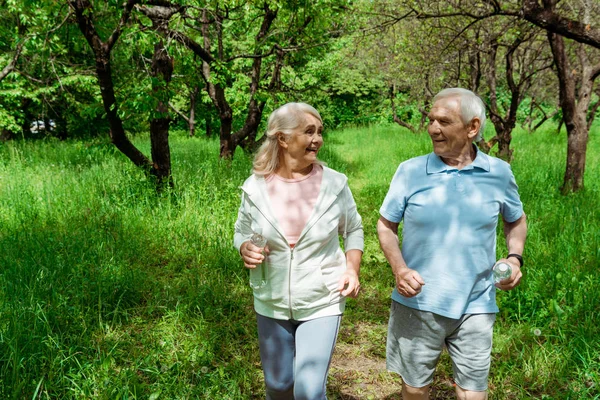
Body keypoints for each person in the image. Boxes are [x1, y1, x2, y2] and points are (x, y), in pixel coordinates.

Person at [377, 88, 527, 400]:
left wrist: (514, 259)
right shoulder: (411, 171)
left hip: (477, 302)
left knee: (473, 392)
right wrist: (400, 269)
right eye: (431, 120)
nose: (433, 128)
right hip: (418, 303)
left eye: (444, 121)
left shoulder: (499, 172)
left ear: (472, 127)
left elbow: (515, 219)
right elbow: (386, 225)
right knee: (415, 389)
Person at [234, 102, 364, 400]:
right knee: (278, 387)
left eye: (320, 131)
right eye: (309, 131)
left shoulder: (335, 184)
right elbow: (241, 229)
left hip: (322, 299)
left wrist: (352, 268)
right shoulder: (255, 187)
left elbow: (354, 229)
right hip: (271, 299)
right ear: (282, 138)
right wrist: (243, 246)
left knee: (308, 390)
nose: (317, 138)